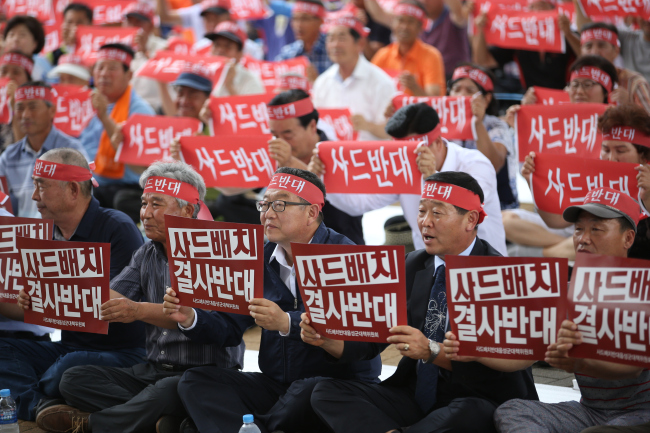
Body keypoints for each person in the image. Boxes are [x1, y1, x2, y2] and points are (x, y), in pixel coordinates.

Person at [303, 171, 537, 433]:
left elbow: (497, 372)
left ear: (471, 219)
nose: (425, 222)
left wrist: (431, 351)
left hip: (479, 397)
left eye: (437, 213)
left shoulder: (499, 275)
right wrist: (328, 339)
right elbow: (372, 338)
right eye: (421, 211)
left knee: (470, 413)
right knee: (325, 392)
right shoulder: (412, 264)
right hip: (418, 395)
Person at [36, 161, 248, 433]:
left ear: (186, 210)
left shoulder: (219, 254)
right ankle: (163, 420)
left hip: (204, 375)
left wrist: (138, 310)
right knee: (74, 379)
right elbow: (111, 298)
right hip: (153, 368)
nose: (145, 213)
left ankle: (92, 424)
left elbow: (214, 326)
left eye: (156, 204)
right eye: (144, 203)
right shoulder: (146, 253)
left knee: (171, 390)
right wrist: (45, 292)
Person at [175, 167, 381, 433]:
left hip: (335, 387)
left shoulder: (345, 258)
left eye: (280, 204)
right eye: (265, 203)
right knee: (195, 381)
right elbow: (228, 328)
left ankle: (251, 427)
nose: (267, 213)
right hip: (277, 384)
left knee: (311, 390)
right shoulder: (257, 259)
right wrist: (191, 318)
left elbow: (361, 339)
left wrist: (286, 322)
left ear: (311, 212)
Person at [0, 148, 145, 421]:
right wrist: (28, 301)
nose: (33, 196)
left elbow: (117, 304)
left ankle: (40, 397)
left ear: (73, 190)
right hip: (68, 346)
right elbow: (32, 312)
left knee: (66, 370)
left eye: (41, 186)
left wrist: (55, 293)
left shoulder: (117, 227)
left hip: (122, 353)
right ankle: (40, 406)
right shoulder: (44, 234)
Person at [493, 187, 650, 433]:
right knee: (512, 410)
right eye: (578, 229)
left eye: (596, 229)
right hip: (589, 411)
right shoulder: (564, 292)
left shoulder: (643, 289)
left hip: (641, 413)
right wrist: (468, 350)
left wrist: (581, 362)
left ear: (628, 238)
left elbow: (633, 366)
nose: (583, 238)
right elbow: (520, 356)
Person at [311, 102, 508, 255]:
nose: (409, 158)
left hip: (482, 266)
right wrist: (324, 180)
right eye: (402, 152)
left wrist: (433, 179)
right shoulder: (402, 167)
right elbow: (359, 204)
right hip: (433, 270)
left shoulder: (475, 164)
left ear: (438, 142)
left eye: (416, 151)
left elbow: (464, 215)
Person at [502, 55, 619, 259]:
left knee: (601, 234)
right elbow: (531, 174)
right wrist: (521, 128)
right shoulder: (553, 128)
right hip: (558, 217)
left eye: (588, 85)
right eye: (574, 85)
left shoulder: (619, 129)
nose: (579, 91)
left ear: (606, 92)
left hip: (601, 217)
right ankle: (571, 248)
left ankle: (540, 253)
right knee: (503, 220)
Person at [515, 104, 650, 261]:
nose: (611, 158)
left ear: (643, 155)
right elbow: (556, 221)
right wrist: (533, 181)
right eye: (606, 150)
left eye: (621, 151)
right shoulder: (595, 180)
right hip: (596, 272)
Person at [79, 43, 155, 223]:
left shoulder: (140, 110)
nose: (104, 73)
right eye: (100, 67)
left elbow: (136, 157)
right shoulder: (80, 104)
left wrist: (105, 117)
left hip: (129, 188)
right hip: (91, 184)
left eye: (112, 68)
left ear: (129, 75)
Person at [0, 81, 88, 218]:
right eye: (20, 108)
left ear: (52, 111)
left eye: (33, 107)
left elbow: (85, 199)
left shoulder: (72, 151)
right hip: (20, 234)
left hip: (62, 234)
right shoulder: (9, 157)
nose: (25, 115)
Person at [312, 15, 396, 140]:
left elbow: (392, 131)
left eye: (342, 38)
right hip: (331, 155)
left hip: (369, 156)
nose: (335, 45)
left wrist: (368, 126)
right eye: (330, 39)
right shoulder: (322, 82)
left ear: (360, 43)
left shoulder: (381, 82)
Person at [447, 64, 518, 209]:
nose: (461, 95)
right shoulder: (441, 124)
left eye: (470, 90)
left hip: (497, 208)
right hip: (451, 205)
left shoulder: (497, 125)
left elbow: (495, 164)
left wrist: (477, 124)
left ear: (486, 99)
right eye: (456, 89)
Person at [472, 1, 573, 90]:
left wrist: (568, 34)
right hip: (531, 99)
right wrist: (481, 31)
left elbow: (584, 55)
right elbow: (484, 61)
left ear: (554, 10)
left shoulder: (566, 33)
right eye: (532, 7)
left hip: (565, 97)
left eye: (542, 5)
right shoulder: (518, 37)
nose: (537, 11)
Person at [371, 0, 446, 96]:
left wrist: (414, 87)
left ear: (420, 28)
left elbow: (435, 101)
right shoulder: (382, 55)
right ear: (393, 24)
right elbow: (368, 89)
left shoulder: (431, 56)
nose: (404, 27)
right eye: (400, 20)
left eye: (410, 22)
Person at [577, 22, 650, 114]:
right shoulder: (575, 86)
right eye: (588, 46)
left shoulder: (634, 83)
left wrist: (629, 106)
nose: (594, 52)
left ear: (616, 51)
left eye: (601, 45)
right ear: (581, 52)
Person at [573, 0, 650, 83]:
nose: (647, 18)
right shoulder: (629, 38)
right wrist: (579, 3)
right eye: (643, 12)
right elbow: (588, 30)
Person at [124, 1, 169, 112]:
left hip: (158, 110)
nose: (133, 27)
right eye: (130, 22)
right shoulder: (118, 48)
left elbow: (167, 79)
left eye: (138, 22)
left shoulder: (164, 47)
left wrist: (145, 52)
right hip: (125, 108)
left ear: (151, 25)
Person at [205, 21, 265, 97]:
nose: (220, 50)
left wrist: (229, 85)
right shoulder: (201, 74)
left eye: (227, 46)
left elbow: (251, 108)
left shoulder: (251, 80)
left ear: (240, 54)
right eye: (217, 45)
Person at [276, 0, 332, 77]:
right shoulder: (288, 53)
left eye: (305, 19)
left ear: (320, 21)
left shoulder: (333, 51)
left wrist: (318, 83)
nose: (298, 25)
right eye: (295, 19)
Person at [419, 0, 471, 80]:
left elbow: (459, 13)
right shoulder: (417, 20)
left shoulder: (451, 16)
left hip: (454, 80)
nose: (425, 1)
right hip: (426, 78)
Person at [0, 51, 34, 148]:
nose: (9, 77)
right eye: (3, 71)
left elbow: (22, 146)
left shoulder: (35, 108)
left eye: (16, 72)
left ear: (27, 80)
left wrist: (16, 103)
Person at [2, 15, 51, 81]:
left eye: (22, 35)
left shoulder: (43, 66)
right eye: (11, 35)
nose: (15, 39)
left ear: (35, 43)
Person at [45, 3, 93, 68]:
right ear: (63, 25)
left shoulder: (97, 54)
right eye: (69, 22)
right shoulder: (53, 56)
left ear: (90, 25)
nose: (74, 27)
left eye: (79, 22)